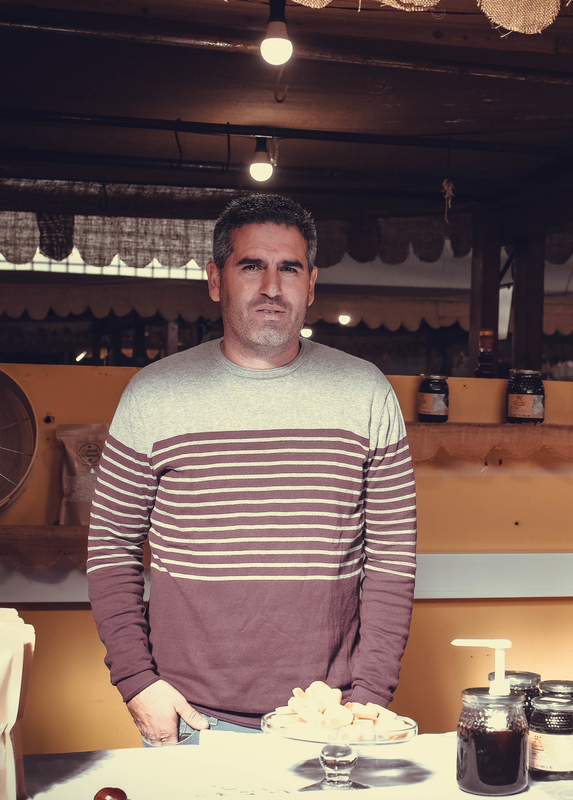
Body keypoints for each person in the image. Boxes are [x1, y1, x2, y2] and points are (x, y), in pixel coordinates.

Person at [87, 194, 417, 744]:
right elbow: (111, 548)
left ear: (311, 284)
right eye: (251, 266)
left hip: (329, 720)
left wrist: (367, 702)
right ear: (216, 280)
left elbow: (391, 561)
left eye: (289, 268)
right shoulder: (154, 394)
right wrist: (137, 682)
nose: (272, 286)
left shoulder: (367, 393)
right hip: (190, 720)